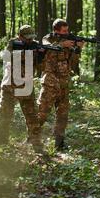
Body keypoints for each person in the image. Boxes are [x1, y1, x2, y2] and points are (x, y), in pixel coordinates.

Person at [37, 19, 84, 150]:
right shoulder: (48, 39)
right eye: (64, 31)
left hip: (64, 83)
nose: (66, 33)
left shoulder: (68, 41)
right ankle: (32, 137)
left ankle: (59, 143)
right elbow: (47, 51)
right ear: (56, 30)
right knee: (42, 112)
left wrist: (77, 49)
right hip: (50, 83)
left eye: (67, 30)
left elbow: (73, 63)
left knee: (63, 114)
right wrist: (62, 44)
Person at [0, 25, 43, 150]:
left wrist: (41, 55)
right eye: (27, 39)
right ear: (20, 36)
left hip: (26, 87)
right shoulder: (13, 43)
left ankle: (36, 144)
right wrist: (27, 53)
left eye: (31, 38)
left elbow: (41, 66)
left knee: (32, 116)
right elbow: (7, 57)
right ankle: (2, 143)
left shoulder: (35, 46)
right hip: (9, 86)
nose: (30, 41)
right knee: (5, 115)